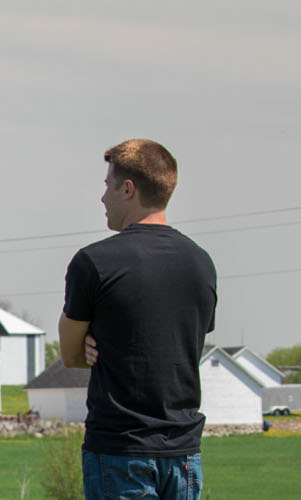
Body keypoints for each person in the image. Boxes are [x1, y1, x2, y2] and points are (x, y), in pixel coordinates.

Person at [59, 138, 217, 500]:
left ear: (127, 189)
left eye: (107, 186)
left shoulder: (94, 262)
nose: (102, 199)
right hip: (184, 452)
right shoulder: (201, 263)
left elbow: (70, 355)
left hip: (120, 449)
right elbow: (180, 342)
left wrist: (94, 343)